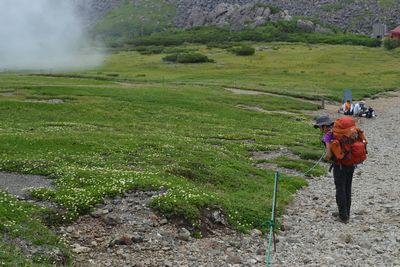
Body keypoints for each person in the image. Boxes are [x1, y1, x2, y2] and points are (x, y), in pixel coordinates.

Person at [314, 115, 354, 224]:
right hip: (351, 163)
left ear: (324, 126)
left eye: (319, 127)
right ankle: (347, 213)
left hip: (339, 165)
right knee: (347, 188)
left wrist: (324, 159)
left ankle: (343, 216)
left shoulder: (328, 135)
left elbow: (328, 154)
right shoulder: (344, 131)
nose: (320, 130)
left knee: (340, 189)